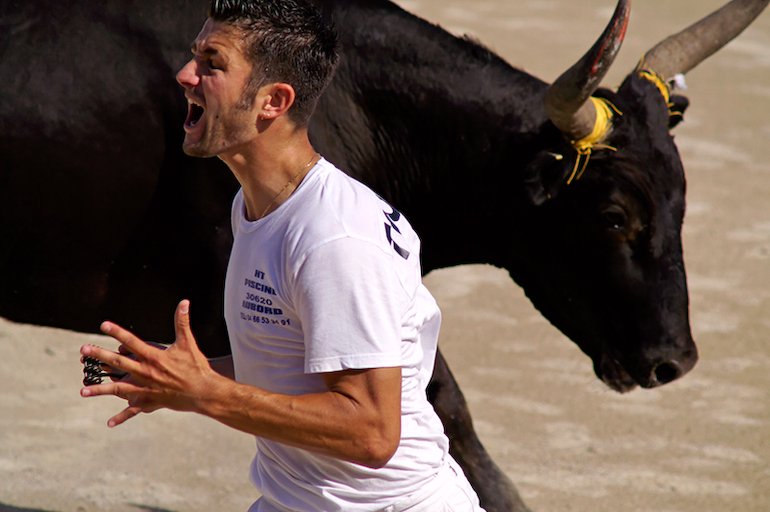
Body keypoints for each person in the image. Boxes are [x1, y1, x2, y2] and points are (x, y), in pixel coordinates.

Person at [80, 0, 485, 510]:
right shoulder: (254, 207)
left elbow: (372, 433)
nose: (186, 75)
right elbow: (281, 370)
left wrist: (207, 394)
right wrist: (173, 375)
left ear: (273, 101)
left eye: (213, 63)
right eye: (194, 56)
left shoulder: (335, 239)